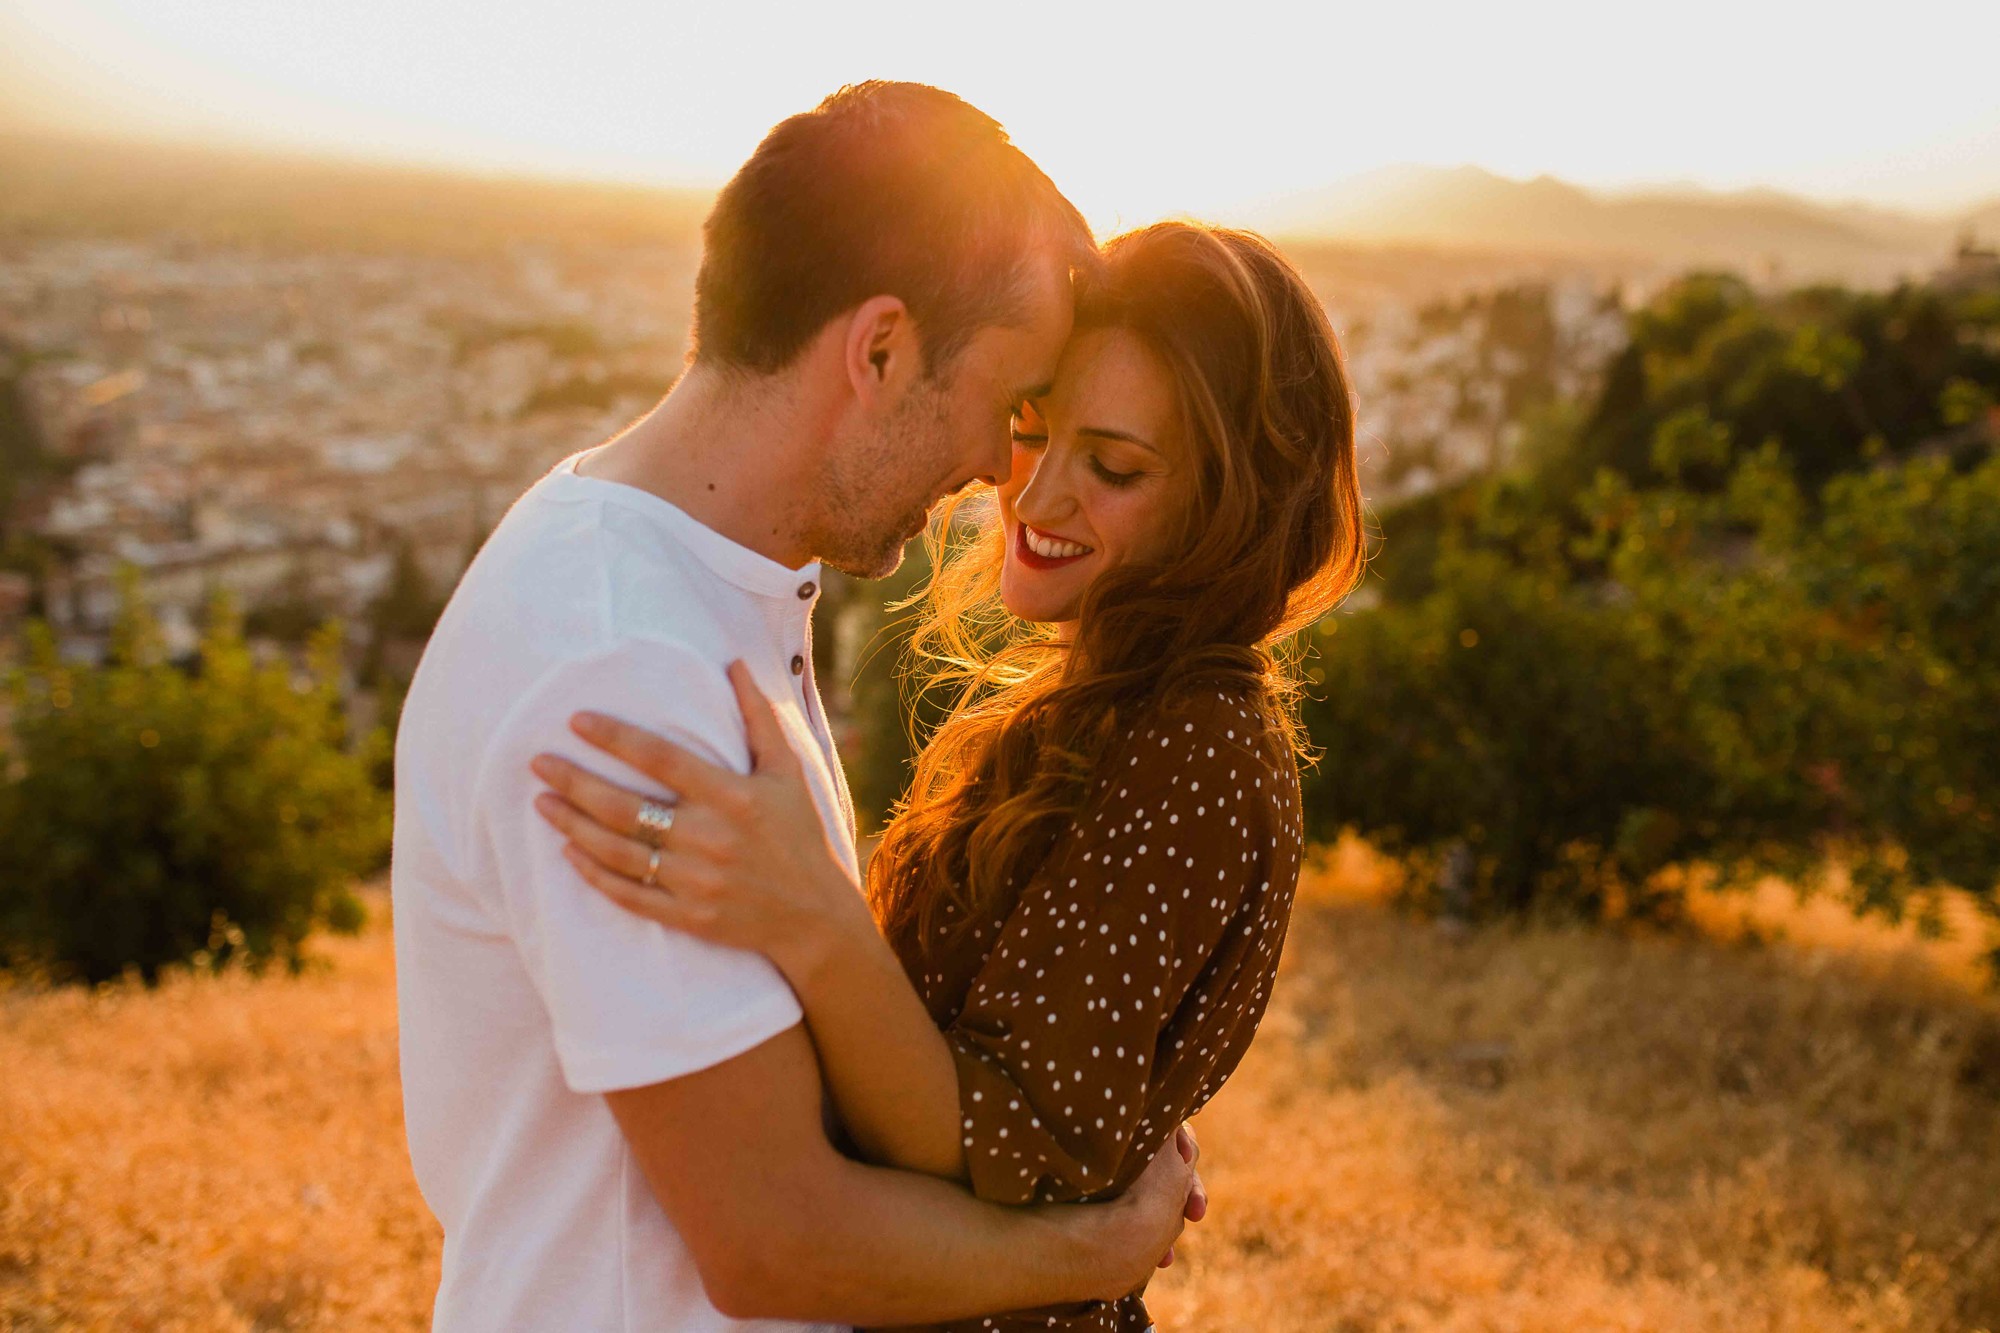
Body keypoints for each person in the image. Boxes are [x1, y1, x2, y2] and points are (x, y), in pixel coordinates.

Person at [390, 83, 1203, 1333]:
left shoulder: (678, 580)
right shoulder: (622, 673)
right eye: (1010, 404)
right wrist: (1098, 1246)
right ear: (879, 350)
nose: (1002, 467)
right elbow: (775, 1245)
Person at [531, 219, 1367, 1331]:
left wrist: (810, 915)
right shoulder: (1095, 716)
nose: (1035, 495)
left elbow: (994, 1141)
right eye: (1032, 431)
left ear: (1227, 510)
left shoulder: (1194, 751)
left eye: (1113, 467)